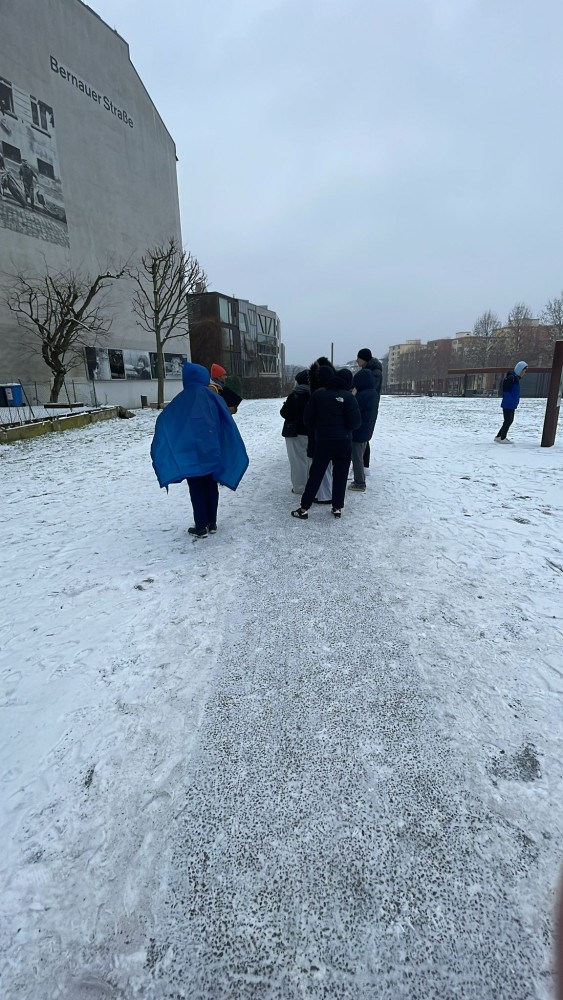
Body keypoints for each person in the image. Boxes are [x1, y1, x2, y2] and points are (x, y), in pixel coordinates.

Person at [151, 361, 249, 538]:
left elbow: (166, 420)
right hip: (212, 450)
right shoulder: (214, 397)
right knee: (211, 486)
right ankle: (212, 522)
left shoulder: (181, 399)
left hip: (191, 453)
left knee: (196, 488)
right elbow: (226, 420)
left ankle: (201, 525)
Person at [291, 367, 361, 520]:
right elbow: (356, 423)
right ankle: (337, 507)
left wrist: (319, 429)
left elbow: (307, 419)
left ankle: (304, 509)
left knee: (316, 474)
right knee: (341, 474)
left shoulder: (318, 394)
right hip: (344, 441)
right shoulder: (349, 397)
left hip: (323, 441)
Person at [308, 357, 335, 502]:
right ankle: (325, 493)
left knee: (319, 464)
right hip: (334, 433)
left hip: (320, 432)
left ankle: (323, 495)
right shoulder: (339, 392)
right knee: (328, 464)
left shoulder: (316, 393)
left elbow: (309, 417)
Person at [280, 369, 310, 495]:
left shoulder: (295, 395)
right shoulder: (316, 394)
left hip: (294, 432)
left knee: (297, 461)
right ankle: (312, 485)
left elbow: (285, 413)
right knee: (310, 460)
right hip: (310, 432)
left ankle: (299, 487)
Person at [349, 367, 378, 492]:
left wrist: (352, 395)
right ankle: (359, 480)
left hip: (358, 431)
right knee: (359, 456)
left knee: (357, 458)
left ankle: (359, 483)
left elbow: (354, 411)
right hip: (366, 430)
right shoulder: (373, 393)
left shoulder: (361, 396)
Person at [356, 349, 383, 473]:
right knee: (363, 435)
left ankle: (363, 466)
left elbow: (370, 388)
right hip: (366, 404)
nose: (357, 361)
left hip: (368, 406)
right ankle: (362, 466)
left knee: (363, 435)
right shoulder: (367, 369)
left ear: (364, 359)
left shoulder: (375, 372)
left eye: (358, 358)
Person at [495, 361, 528, 443]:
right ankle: (502, 438)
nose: (524, 373)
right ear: (520, 370)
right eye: (524, 371)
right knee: (508, 420)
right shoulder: (511, 378)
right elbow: (506, 392)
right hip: (508, 404)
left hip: (510, 403)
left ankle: (499, 436)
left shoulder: (515, 378)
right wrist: (510, 402)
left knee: (509, 420)